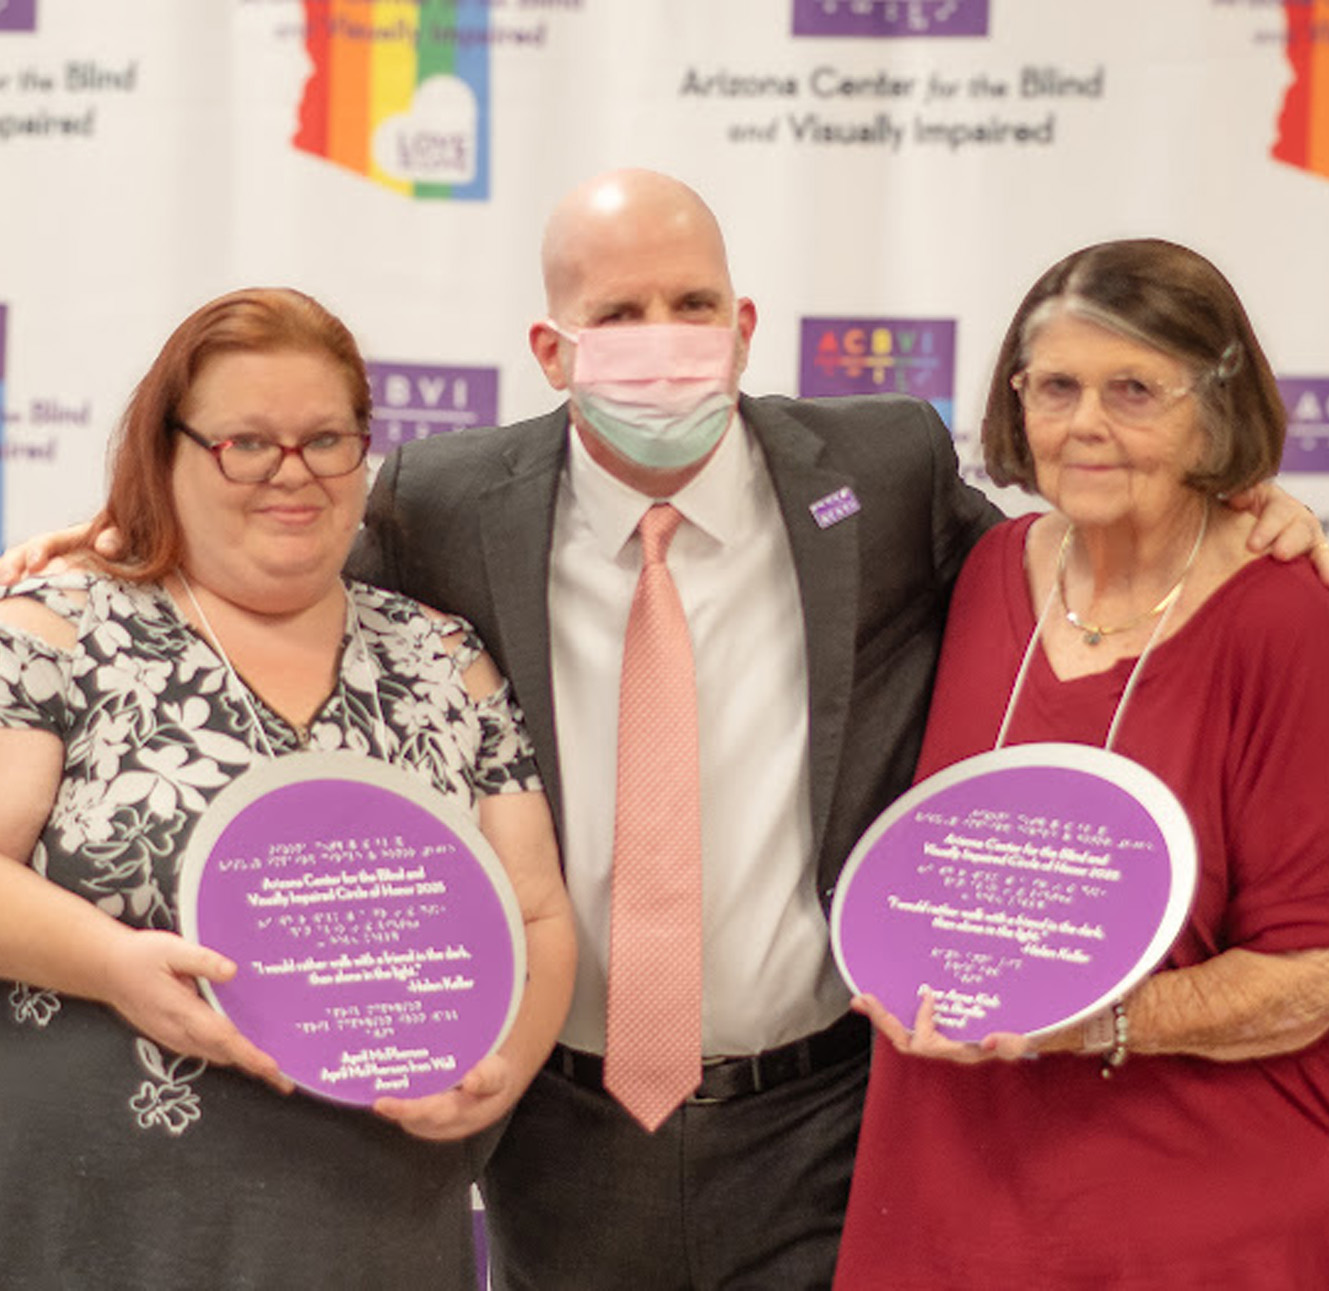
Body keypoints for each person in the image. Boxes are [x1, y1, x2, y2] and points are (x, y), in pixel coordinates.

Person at [3, 176, 1325, 1290]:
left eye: (691, 303)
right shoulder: (447, 498)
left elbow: (1088, 539)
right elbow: (273, 512)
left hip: (828, 1118)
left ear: (744, 320)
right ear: (547, 345)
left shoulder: (886, 471)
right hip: (560, 1125)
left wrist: (1251, 499)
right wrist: (126, 539)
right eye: (616, 312)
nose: (661, 336)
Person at [0, 287, 575, 1288]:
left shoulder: (444, 657)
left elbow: (536, 913)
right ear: (168, 451)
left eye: (325, 439)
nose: (292, 473)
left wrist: (503, 1070)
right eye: (246, 443)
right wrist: (112, 963)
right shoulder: (62, 624)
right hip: (92, 1234)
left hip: (375, 1234)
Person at [834, 238, 1329, 1289]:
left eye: (1135, 390)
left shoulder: (1287, 616)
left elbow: (1313, 975)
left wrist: (1093, 1022)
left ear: (1218, 407)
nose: (1087, 425)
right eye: (1055, 386)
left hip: (1190, 1224)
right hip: (940, 1189)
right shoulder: (981, 572)